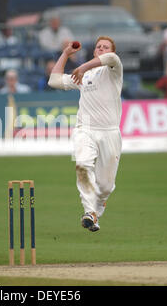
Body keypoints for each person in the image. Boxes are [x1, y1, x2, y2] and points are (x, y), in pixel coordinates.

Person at [48, 36, 123, 232]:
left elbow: (109, 59)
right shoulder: (85, 76)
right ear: (93, 51)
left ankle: (97, 209)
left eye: (106, 47)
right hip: (85, 129)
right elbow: (54, 80)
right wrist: (65, 54)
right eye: (98, 46)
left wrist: (82, 67)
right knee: (82, 166)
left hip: (110, 132)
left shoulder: (114, 68)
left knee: (105, 186)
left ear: (112, 50)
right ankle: (89, 212)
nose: (102, 49)